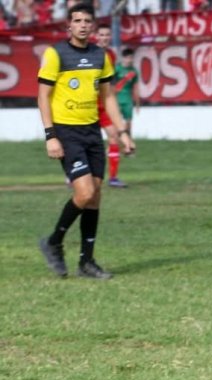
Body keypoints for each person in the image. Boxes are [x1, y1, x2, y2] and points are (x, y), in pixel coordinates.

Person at [38, 2, 135, 279]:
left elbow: (108, 97)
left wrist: (122, 132)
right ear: (68, 25)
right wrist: (50, 136)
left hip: (91, 132)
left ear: (92, 26)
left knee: (95, 197)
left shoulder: (99, 55)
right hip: (66, 133)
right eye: (77, 20)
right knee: (84, 193)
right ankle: (54, 242)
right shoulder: (55, 54)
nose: (82, 25)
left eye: (87, 21)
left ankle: (86, 262)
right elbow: (43, 96)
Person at [93, 23, 127, 187]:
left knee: (113, 136)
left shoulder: (111, 55)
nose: (104, 38)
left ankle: (113, 178)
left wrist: (113, 100)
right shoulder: (89, 52)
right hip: (88, 104)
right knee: (86, 141)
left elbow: (109, 82)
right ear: (96, 36)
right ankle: (74, 176)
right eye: (101, 35)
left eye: (107, 35)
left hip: (104, 103)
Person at [113, 46, 140, 185]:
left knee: (128, 124)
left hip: (128, 100)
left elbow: (136, 87)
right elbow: (111, 85)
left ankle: (128, 147)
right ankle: (117, 147)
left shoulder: (134, 72)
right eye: (127, 57)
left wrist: (137, 102)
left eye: (131, 57)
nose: (129, 60)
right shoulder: (117, 69)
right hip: (117, 100)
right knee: (118, 126)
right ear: (123, 58)